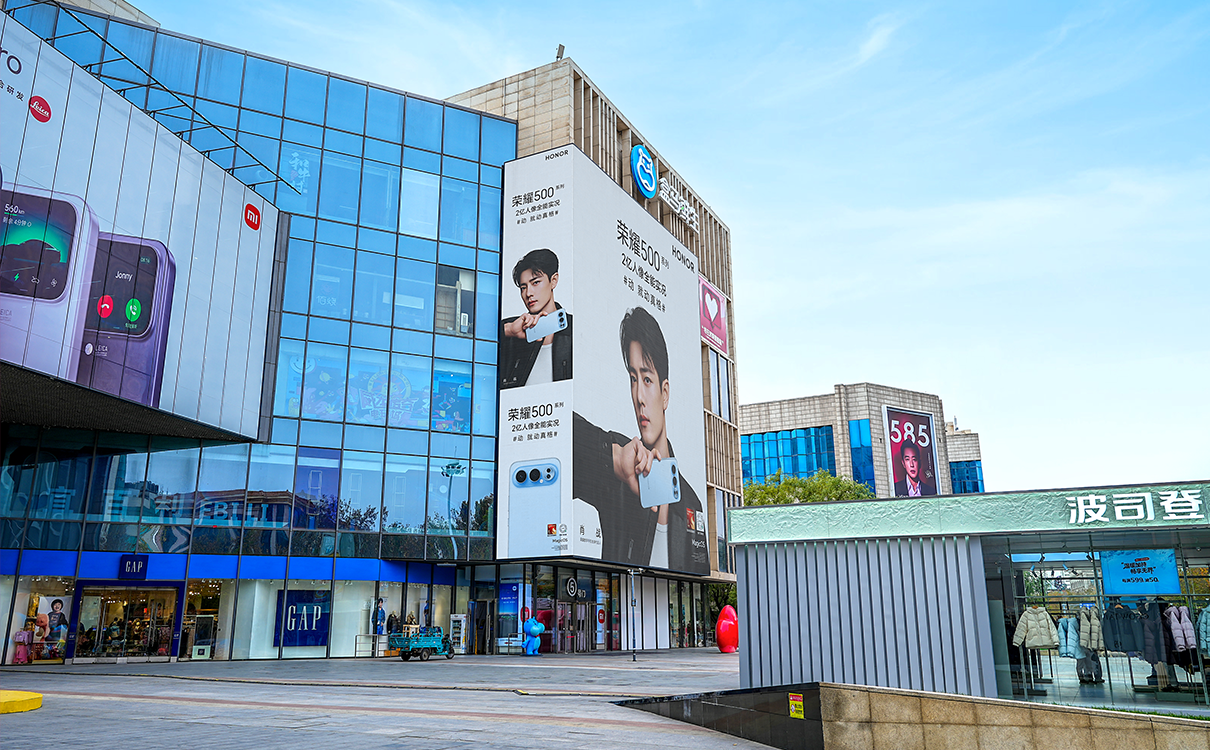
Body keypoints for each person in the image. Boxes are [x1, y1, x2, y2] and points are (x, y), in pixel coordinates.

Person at [573, 306, 707, 574]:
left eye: (646, 379)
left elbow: (694, 574)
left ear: (665, 393)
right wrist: (613, 459)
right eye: (633, 379)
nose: (639, 397)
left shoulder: (691, 502)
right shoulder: (620, 464)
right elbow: (561, 436)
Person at [499, 249, 572, 389]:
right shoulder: (512, 329)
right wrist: (509, 331)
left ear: (553, 281)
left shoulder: (573, 330)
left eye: (536, 282)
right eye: (523, 287)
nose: (528, 293)